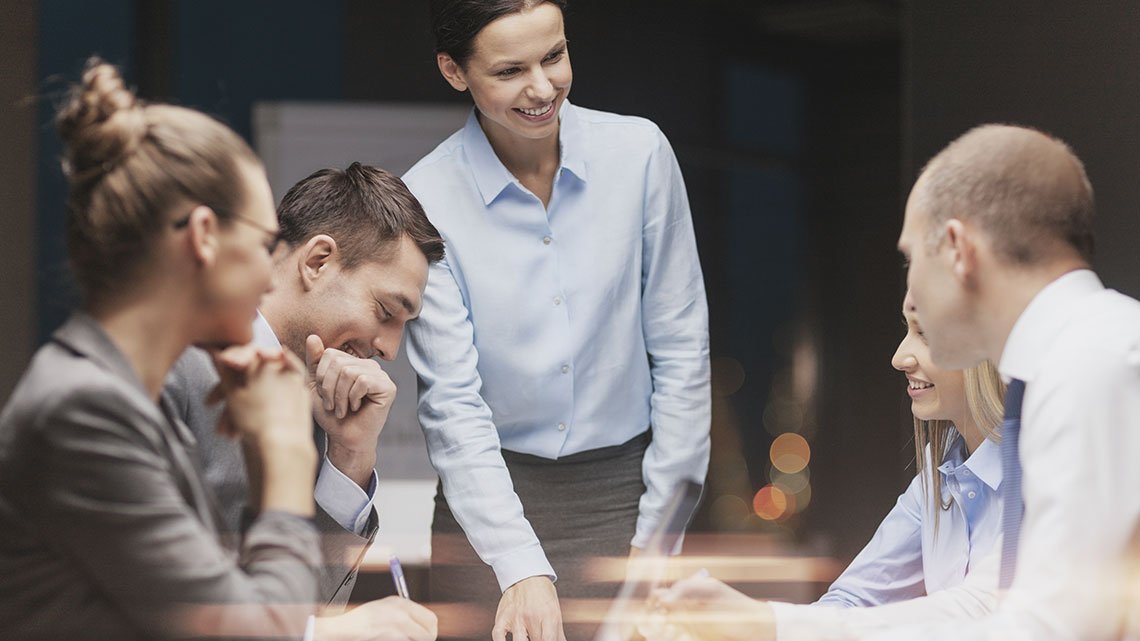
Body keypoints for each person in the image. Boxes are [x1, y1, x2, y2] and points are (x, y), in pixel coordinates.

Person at [660, 124, 1140, 641]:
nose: (910, 294)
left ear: (958, 249)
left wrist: (771, 626)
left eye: (912, 258)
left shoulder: (1093, 361)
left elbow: (1045, 627)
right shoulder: (1082, 356)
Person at [402, 2, 712, 640]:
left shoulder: (640, 154)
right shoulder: (425, 198)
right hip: (486, 506)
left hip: (629, 493)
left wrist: (659, 540)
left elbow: (682, 351)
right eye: (510, 70)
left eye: (554, 56)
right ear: (453, 72)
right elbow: (452, 402)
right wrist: (516, 564)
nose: (543, 88)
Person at [0, 59, 320, 640]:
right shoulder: (83, 412)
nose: (272, 280)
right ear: (202, 236)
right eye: (264, 243)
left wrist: (260, 454)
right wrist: (287, 448)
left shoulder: (116, 399)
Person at [164, 163, 444, 641]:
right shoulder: (172, 362)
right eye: (385, 312)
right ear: (317, 261)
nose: (390, 350)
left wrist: (351, 457)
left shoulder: (317, 405)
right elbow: (140, 601)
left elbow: (304, 608)